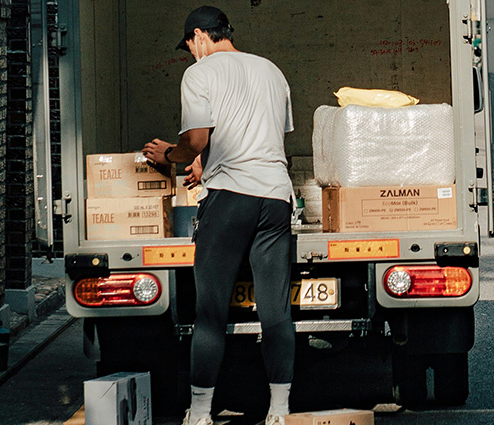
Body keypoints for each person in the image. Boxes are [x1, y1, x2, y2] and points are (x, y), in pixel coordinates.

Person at [142, 6, 295, 425]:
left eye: (189, 45)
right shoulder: (271, 70)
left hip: (229, 199)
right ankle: (279, 412)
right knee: (276, 311)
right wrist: (206, 162)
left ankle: (201, 412)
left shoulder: (200, 73)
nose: (191, 53)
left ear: (198, 36)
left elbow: (196, 139)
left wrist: (171, 157)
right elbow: (262, 139)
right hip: (276, 198)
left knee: (210, 312)